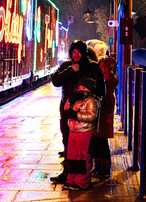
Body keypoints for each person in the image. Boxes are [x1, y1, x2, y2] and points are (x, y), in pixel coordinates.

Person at [49, 40, 105, 184]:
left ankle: (83, 177)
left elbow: (101, 90)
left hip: (85, 114)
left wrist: (87, 98)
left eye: (79, 51)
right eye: (73, 52)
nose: (76, 54)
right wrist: (70, 70)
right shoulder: (67, 66)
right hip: (67, 112)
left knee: (84, 149)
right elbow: (55, 80)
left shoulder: (93, 66)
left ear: (84, 53)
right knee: (68, 143)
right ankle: (68, 174)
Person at [62, 76, 99, 191]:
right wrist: (70, 100)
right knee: (72, 157)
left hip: (85, 131)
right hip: (73, 131)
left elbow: (92, 116)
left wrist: (76, 115)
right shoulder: (76, 99)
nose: (81, 89)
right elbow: (66, 108)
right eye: (80, 87)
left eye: (84, 87)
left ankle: (82, 182)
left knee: (82, 158)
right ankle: (71, 180)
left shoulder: (91, 101)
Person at [92, 51, 118, 177]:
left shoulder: (105, 67)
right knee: (98, 138)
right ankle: (99, 167)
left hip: (103, 106)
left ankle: (104, 169)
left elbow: (106, 82)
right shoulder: (108, 68)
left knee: (101, 138)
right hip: (102, 105)